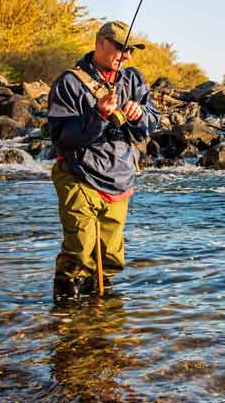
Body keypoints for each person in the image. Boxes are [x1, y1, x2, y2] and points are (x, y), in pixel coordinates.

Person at [47, 20, 159, 300]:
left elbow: (151, 121)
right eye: (121, 48)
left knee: (109, 258)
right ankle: (66, 321)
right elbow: (62, 137)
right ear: (100, 43)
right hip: (78, 175)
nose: (127, 55)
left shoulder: (134, 80)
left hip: (119, 177)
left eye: (131, 50)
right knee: (79, 250)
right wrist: (97, 115)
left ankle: (100, 325)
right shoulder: (69, 83)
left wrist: (139, 114)